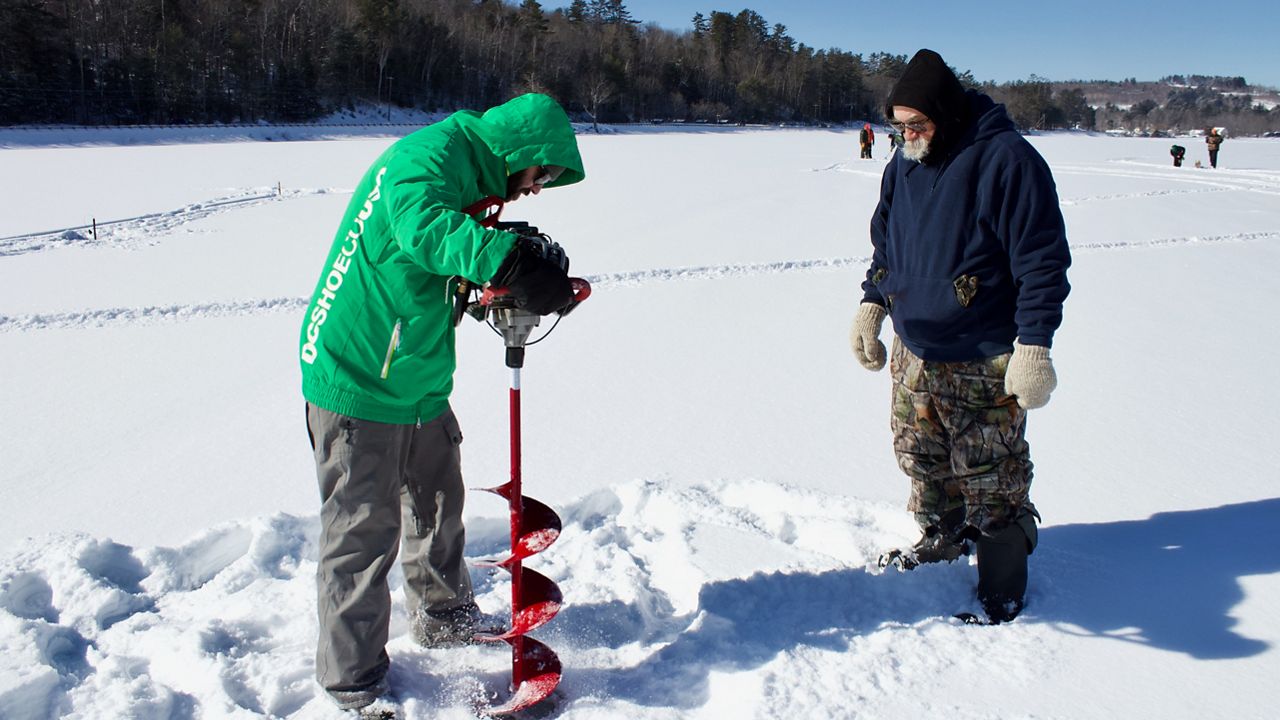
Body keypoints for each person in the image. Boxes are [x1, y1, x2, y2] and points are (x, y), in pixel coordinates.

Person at [298, 92, 585, 714]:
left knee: (436, 502)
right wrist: (504, 258)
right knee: (361, 534)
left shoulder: (472, 175)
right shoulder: (428, 157)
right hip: (359, 376)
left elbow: (423, 264)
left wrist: (485, 291)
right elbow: (420, 226)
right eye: (543, 173)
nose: (538, 188)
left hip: (417, 376)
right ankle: (353, 685)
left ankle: (445, 617)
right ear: (521, 152)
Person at [848, 49, 1071, 623]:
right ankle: (943, 543)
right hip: (914, 352)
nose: (906, 136)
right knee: (921, 460)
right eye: (899, 126)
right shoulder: (902, 163)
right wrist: (873, 305)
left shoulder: (1007, 160)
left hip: (983, 355)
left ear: (945, 113)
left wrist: (1035, 345)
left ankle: (1002, 589)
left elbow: (1042, 262)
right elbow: (885, 246)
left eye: (916, 124)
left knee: (992, 475)